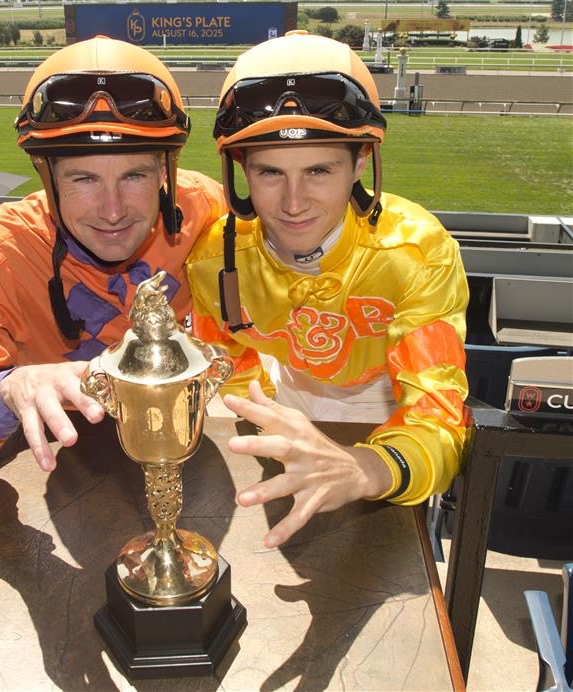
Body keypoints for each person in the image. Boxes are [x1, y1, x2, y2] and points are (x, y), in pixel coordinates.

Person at [185, 32, 469, 548]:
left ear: (360, 162)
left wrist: (369, 467)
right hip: (285, 399)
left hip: (389, 404)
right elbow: (231, 366)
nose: (293, 202)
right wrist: (271, 423)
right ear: (241, 170)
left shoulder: (418, 253)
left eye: (318, 170)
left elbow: (438, 411)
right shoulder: (211, 262)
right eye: (270, 172)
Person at [0, 36, 226, 473]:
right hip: (68, 468)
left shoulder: (206, 209)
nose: (112, 211)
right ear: (47, 177)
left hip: (183, 449)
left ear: (165, 172)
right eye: (83, 179)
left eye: (134, 176)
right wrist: (7, 391)